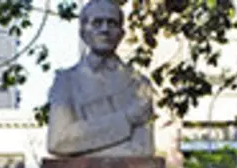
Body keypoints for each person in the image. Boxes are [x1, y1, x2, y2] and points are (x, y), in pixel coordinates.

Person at [46, 0, 155, 157]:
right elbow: (58, 141)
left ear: (121, 34)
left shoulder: (138, 84)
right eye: (97, 23)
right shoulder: (65, 81)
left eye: (112, 23)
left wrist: (82, 147)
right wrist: (127, 118)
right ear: (83, 33)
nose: (105, 29)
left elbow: (141, 150)